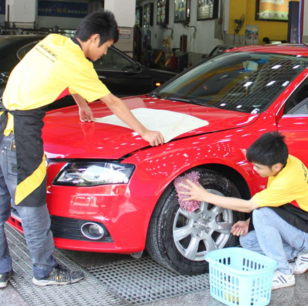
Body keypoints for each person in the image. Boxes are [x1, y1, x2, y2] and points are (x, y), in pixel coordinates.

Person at [0, 9, 164, 289]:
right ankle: (45, 271)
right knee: (32, 205)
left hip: (4, 120)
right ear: (96, 38)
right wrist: (145, 131)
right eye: (107, 47)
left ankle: (2, 271)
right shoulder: (80, 65)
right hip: (22, 134)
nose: (104, 54)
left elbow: (57, 74)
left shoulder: (54, 42)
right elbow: (113, 102)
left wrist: (80, 103)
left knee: (1, 199)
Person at [179, 132, 308, 290]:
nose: (254, 170)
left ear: (276, 166)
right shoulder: (288, 162)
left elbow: (249, 206)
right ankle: (300, 254)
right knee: (248, 241)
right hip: (299, 225)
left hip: (304, 233)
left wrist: (205, 196)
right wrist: (249, 222)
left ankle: (284, 273)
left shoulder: (286, 180)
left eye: (258, 167)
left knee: (260, 214)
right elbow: (278, 203)